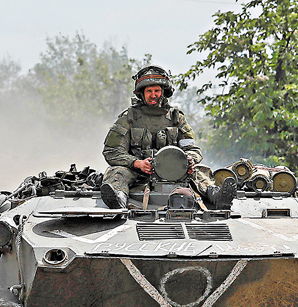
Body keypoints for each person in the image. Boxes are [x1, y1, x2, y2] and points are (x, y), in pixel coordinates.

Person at [100, 65, 235, 209]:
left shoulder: (176, 118)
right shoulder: (129, 118)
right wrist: (137, 163)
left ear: (163, 92)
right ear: (141, 93)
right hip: (137, 173)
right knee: (117, 172)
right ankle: (118, 198)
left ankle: (216, 195)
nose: (153, 95)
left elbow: (192, 149)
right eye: (149, 91)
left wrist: (189, 160)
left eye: (157, 90)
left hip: (175, 173)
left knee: (200, 170)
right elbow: (112, 151)